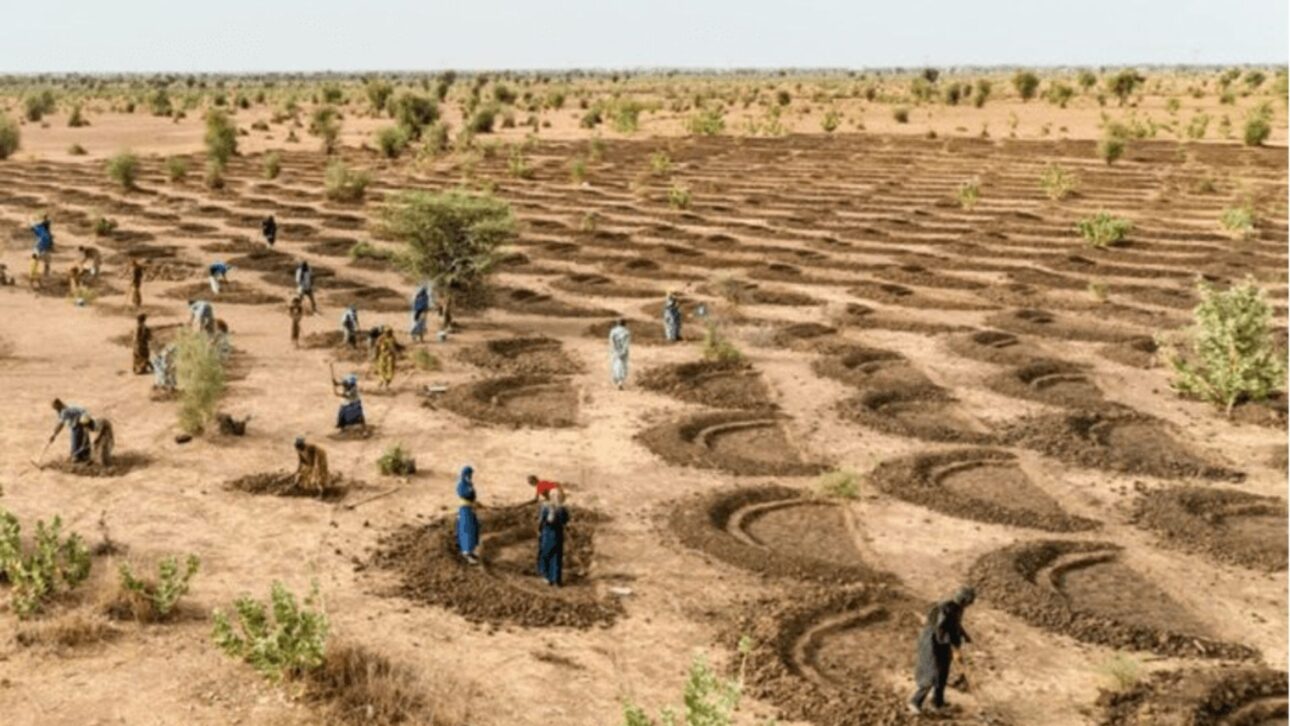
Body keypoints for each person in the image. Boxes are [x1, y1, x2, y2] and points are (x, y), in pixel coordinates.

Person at [910, 586, 976, 715]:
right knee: (932, 672)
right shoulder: (945, 608)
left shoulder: (958, 608)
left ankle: (937, 702)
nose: (970, 604)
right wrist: (955, 648)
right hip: (931, 642)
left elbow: (955, 624)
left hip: (942, 641)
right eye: (969, 601)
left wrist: (964, 635)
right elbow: (941, 630)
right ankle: (915, 702)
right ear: (963, 599)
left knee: (943, 672)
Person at [537, 489, 570, 587]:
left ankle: (550, 577)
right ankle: (553, 578)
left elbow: (541, 521)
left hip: (551, 533)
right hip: (554, 533)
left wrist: (539, 531)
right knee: (553, 554)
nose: (557, 498)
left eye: (558, 496)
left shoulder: (549, 507)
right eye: (556, 496)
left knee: (550, 554)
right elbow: (566, 521)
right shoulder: (560, 508)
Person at [49, 399, 92, 463]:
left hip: (83, 419)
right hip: (80, 419)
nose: (55, 409)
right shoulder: (62, 410)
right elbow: (60, 422)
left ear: (58, 405)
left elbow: (61, 424)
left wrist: (54, 435)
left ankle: (78, 456)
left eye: (55, 407)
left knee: (76, 436)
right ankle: (83, 455)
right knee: (78, 435)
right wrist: (54, 434)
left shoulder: (65, 411)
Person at [456, 465, 481, 564]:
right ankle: (466, 553)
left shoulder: (469, 484)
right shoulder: (461, 485)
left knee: (473, 529)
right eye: (469, 474)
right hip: (465, 509)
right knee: (467, 530)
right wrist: (470, 490)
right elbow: (464, 494)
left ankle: (471, 551)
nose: (470, 476)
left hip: (470, 509)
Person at [609, 318, 631, 390]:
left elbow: (611, 341)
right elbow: (626, 344)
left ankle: (617, 379)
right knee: (623, 365)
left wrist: (614, 349)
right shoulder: (626, 332)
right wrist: (623, 351)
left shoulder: (613, 331)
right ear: (625, 324)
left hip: (615, 350)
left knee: (615, 364)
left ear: (617, 323)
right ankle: (620, 382)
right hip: (623, 351)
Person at [31, 214, 53, 281]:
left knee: (35, 259)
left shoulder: (41, 229)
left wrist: (35, 222)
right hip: (45, 248)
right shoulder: (48, 234)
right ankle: (45, 272)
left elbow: (33, 227)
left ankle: (34, 273)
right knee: (47, 261)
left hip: (40, 247)